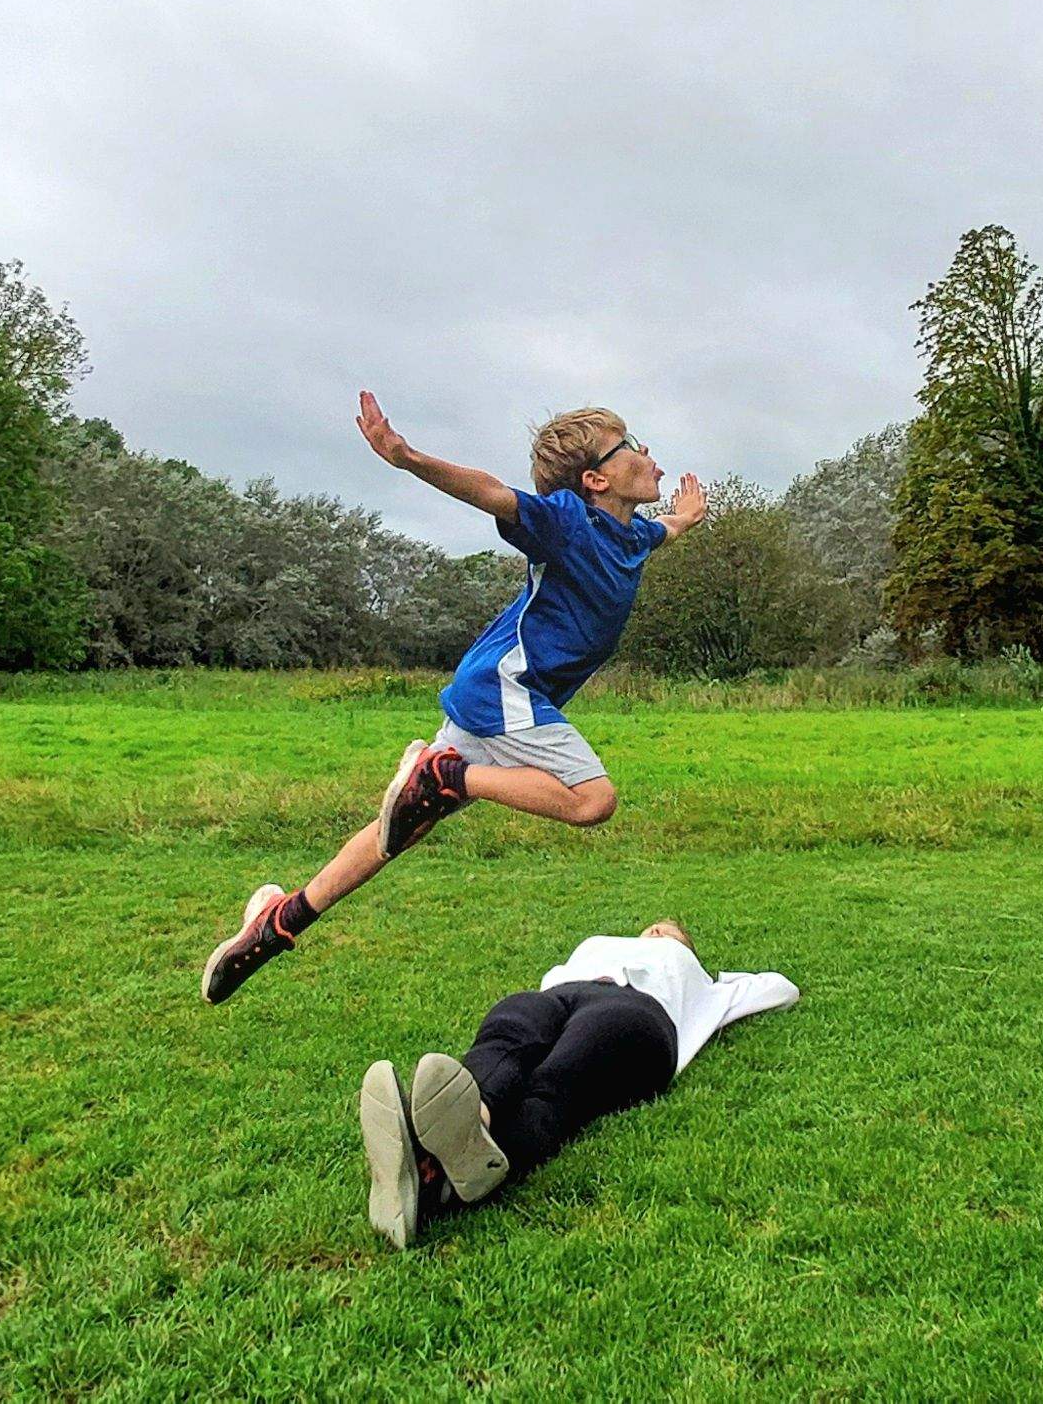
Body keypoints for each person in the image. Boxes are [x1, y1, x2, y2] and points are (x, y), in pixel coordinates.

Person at [199, 392, 707, 1003]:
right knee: (592, 801)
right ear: (596, 478)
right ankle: (446, 775)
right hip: (505, 689)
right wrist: (406, 456)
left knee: (400, 829)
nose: (647, 451)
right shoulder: (567, 521)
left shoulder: (632, 538)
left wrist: (686, 518)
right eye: (632, 444)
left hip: (497, 697)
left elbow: (666, 531)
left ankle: (278, 924)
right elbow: (492, 493)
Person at [357, 919, 799, 1249]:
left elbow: (782, 989)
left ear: (688, 948)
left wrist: (720, 984)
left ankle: (431, 1172)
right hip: (559, 996)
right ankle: (468, 1124)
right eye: (655, 927)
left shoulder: (702, 981)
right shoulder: (597, 945)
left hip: (638, 1014)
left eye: (673, 931)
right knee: (507, 1039)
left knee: (555, 1084)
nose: (659, 930)